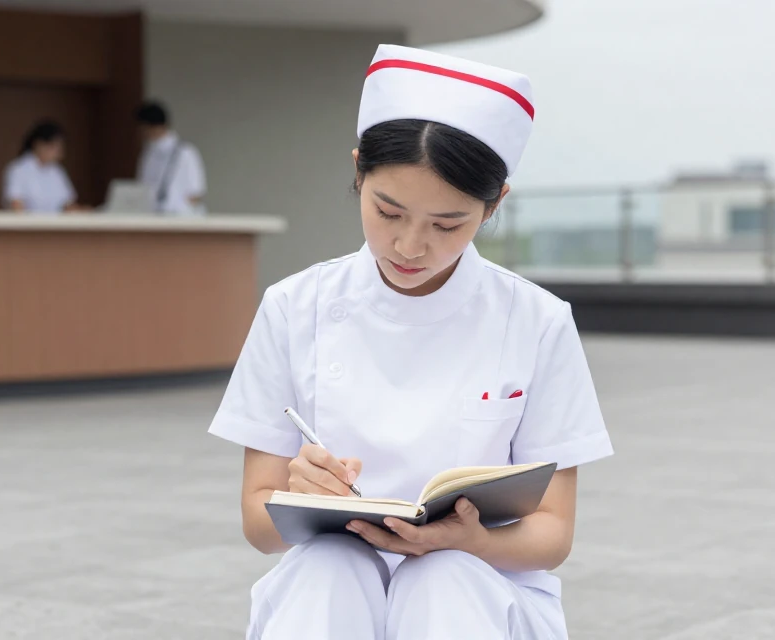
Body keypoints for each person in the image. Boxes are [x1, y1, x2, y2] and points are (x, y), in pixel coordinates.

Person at [207, 44, 614, 639]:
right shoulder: (295, 307)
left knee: (442, 577)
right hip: (331, 584)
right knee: (328, 569)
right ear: (357, 173)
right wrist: (298, 495)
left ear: (494, 203)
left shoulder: (536, 321)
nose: (410, 246)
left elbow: (553, 532)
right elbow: (257, 522)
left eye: (447, 225)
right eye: (388, 212)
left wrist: (469, 540)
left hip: (479, 589)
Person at [135, 101, 206, 215]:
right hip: (152, 218)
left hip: (181, 220)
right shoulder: (148, 154)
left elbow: (196, 194)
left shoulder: (185, 153)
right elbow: (142, 188)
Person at [2, 120, 83, 214]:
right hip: (30, 226)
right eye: (54, 148)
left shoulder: (57, 171)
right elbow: (16, 206)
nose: (58, 154)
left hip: (56, 227)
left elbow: (67, 204)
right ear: (39, 144)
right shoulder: (18, 170)